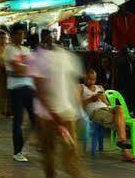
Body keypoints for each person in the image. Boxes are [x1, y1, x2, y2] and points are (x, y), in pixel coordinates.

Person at [30, 29, 83, 178]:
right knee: (50, 154)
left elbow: (73, 85)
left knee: (69, 153)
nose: (50, 38)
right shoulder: (39, 57)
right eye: (47, 35)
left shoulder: (66, 56)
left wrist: (76, 109)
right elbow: (39, 89)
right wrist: (54, 114)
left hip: (64, 114)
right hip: (48, 115)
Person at [78, 68, 135, 163]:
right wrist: (91, 99)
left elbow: (107, 104)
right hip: (95, 112)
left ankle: (122, 142)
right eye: (88, 79)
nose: (91, 81)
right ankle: (125, 151)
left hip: (106, 109)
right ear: (84, 78)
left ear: (96, 79)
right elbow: (77, 104)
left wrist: (104, 100)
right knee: (120, 122)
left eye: (93, 79)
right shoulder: (81, 87)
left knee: (119, 108)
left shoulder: (100, 88)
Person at [4, 24, 35, 162]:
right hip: (15, 88)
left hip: (29, 87)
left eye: (22, 33)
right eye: (18, 34)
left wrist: (24, 70)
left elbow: (32, 68)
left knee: (35, 118)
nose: (21, 36)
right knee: (18, 120)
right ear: (12, 35)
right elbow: (17, 70)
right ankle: (17, 151)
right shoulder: (9, 50)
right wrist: (25, 69)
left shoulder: (26, 50)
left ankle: (24, 145)